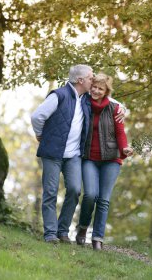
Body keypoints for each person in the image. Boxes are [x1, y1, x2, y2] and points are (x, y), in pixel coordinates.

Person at [31, 65, 125, 243]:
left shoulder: (85, 99)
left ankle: (62, 230)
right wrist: (40, 134)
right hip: (52, 153)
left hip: (73, 155)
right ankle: (51, 234)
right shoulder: (58, 95)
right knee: (50, 192)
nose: (93, 79)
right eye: (91, 77)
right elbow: (37, 117)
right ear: (81, 80)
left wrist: (123, 109)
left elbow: (110, 101)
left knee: (74, 190)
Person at [76, 73, 133, 250]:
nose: (96, 91)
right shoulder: (83, 102)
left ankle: (98, 239)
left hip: (111, 158)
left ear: (106, 91)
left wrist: (124, 149)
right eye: (94, 87)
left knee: (104, 199)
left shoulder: (115, 108)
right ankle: (82, 229)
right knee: (90, 194)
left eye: (101, 89)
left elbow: (120, 132)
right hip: (89, 158)